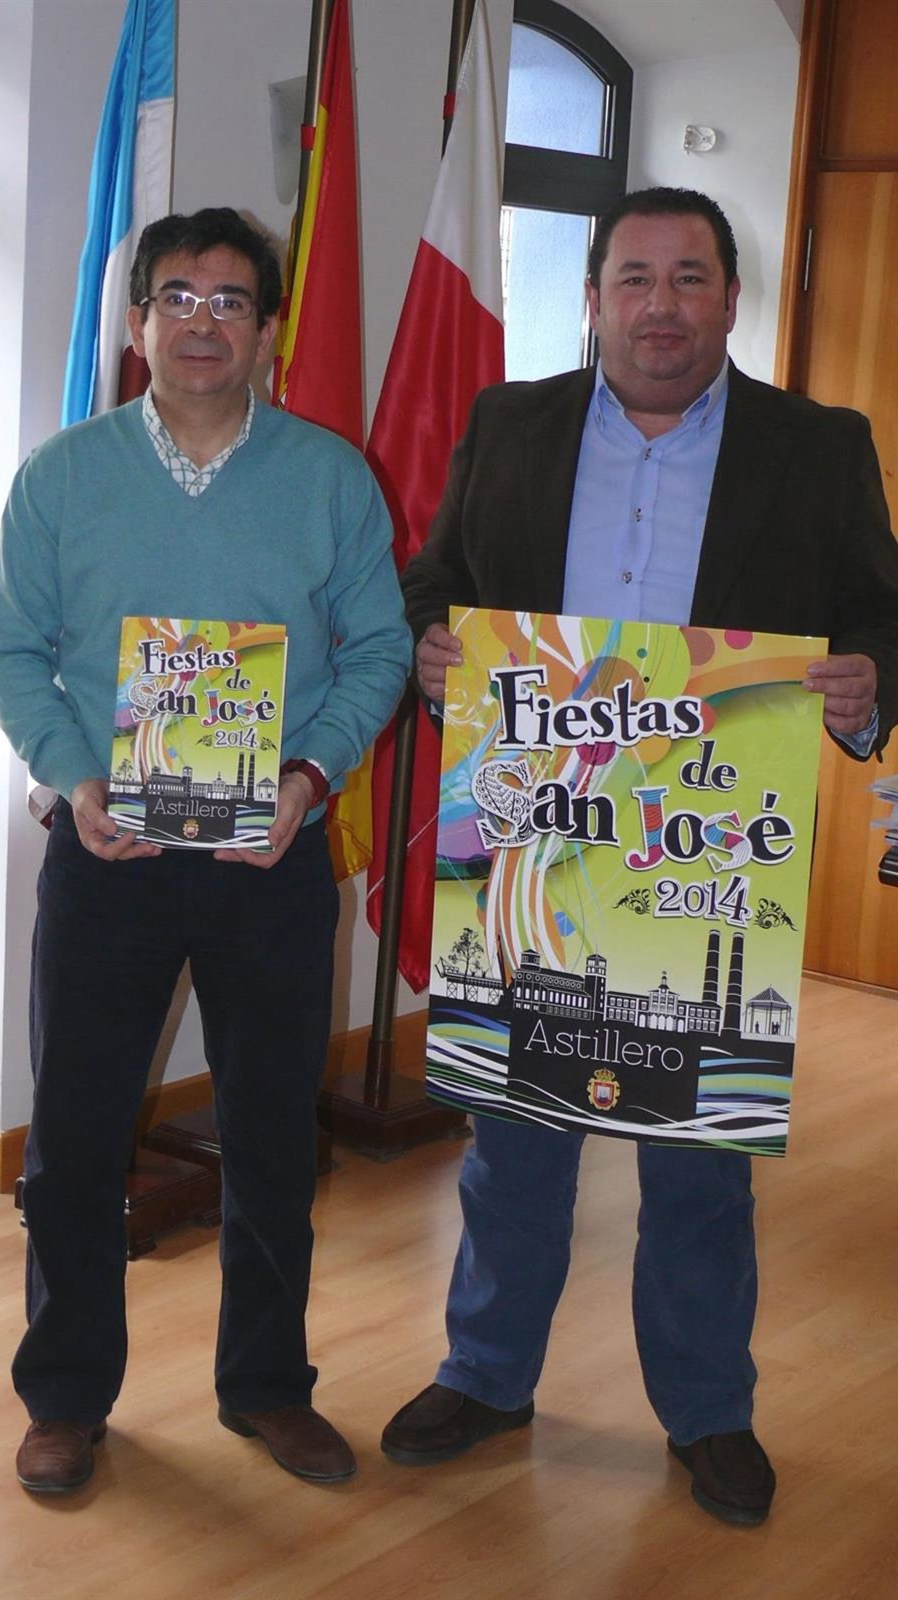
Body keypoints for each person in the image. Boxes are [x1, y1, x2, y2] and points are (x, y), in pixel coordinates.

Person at [382, 187, 898, 1526]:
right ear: (594, 297)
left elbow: (879, 615)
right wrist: (433, 648)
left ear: (731, 297)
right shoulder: (510, 423)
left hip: (697, 856)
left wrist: (865, 684)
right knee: (513, 1140)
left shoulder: (820, 446)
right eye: (635, 278)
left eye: (689, 278)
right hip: (531, 839)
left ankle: (708, 1409)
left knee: (698, 1158)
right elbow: (435, 579)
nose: (661, 306)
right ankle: (486, 1376)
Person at [0, 208, 410, 1494]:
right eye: (177, 296)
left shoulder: (329, 477)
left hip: (270, 857)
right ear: (137, 321)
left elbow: (381, 649)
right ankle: (65, 1397)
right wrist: (73, 776)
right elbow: (11, 650)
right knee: (73, 1136)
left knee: (272, 1132)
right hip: (105, 851)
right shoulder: (64, 474)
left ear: (268, 329)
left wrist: (310, 776)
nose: (202, 322)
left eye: (230, 301)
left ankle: (267, 1384)